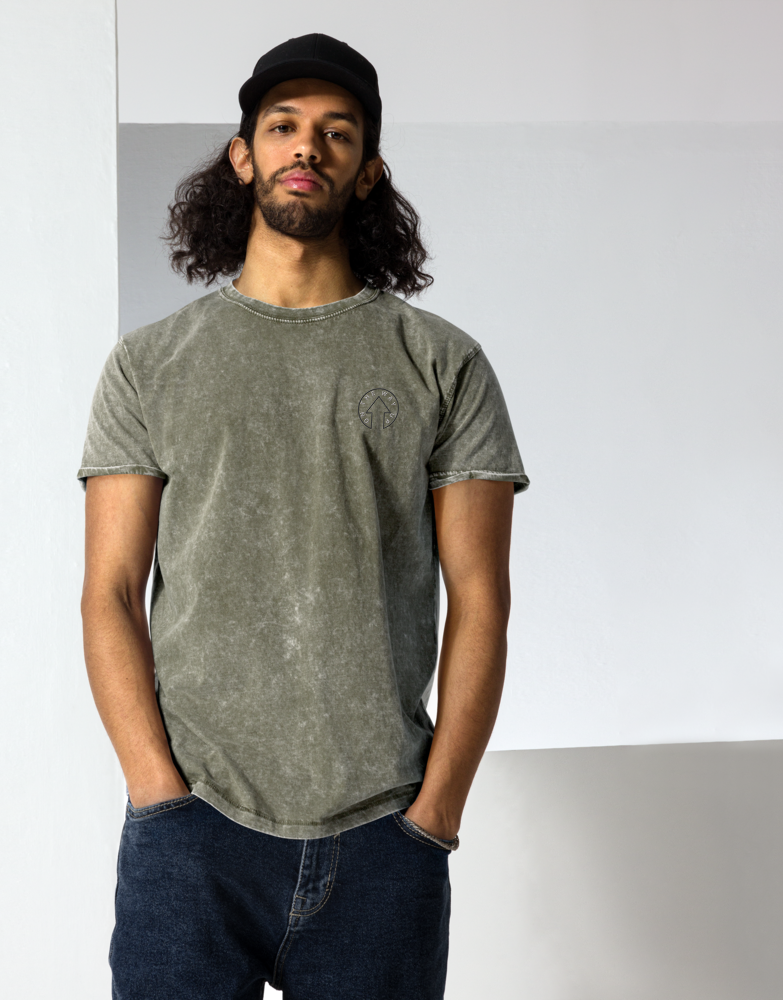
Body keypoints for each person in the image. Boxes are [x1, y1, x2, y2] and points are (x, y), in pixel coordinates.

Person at [77, 32, 529, 1000]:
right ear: (242, 155)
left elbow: (479, 599)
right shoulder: (148, 364)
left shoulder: (441, 362)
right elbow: (110, 589)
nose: (306, 148)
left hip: (382, 836)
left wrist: (433, 817)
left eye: (336, 131)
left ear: (367, 169)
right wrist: (157, 794)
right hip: (191, 834)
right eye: (282, 126)